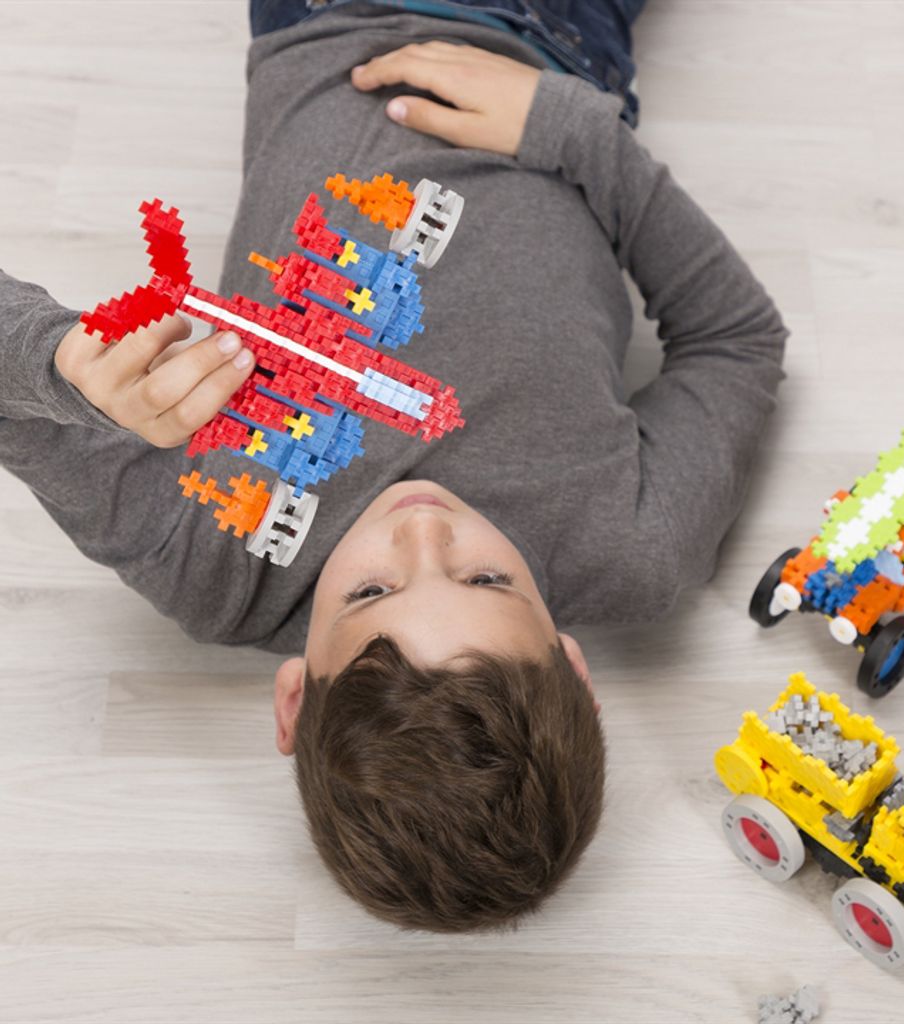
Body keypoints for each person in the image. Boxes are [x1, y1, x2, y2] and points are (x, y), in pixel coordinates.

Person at [0, 1, 787, 933]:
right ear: (575, 669)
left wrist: (60, 366)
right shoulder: (631, 548)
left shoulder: (208, 558)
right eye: (487, 578)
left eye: (371, 592)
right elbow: (738, 341)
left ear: (294, 697)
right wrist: (571, 128)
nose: (423, 527)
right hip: (554, 37)